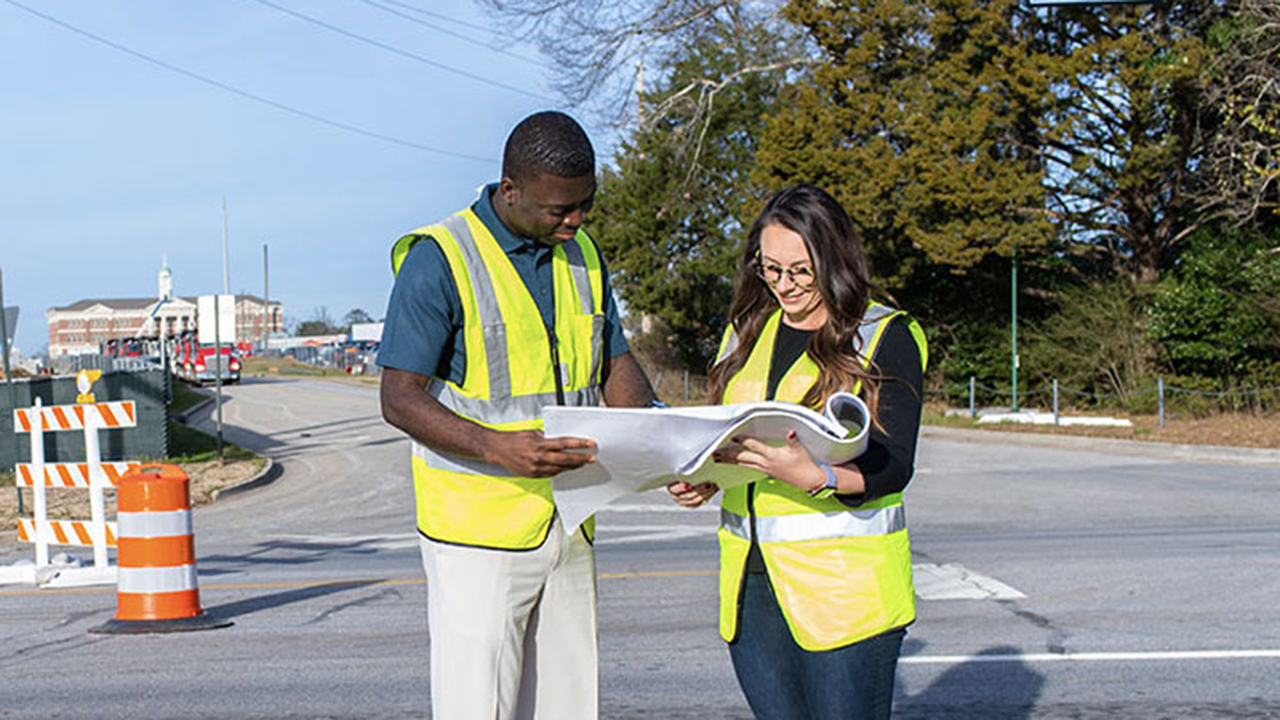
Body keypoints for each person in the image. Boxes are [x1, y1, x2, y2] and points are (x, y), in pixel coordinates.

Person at [378, 110, 658, 720]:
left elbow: (615, 362)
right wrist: (496, 446)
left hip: (571, 519)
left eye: (586, 205)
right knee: (478, 707)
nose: (576, 220)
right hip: (478, 535)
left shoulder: (582, 253)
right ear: (510, 190)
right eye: (561, 209)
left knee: (568, 707)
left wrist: (664, 441)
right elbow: (398, 396)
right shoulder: (441, 258)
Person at [668, 184, 927, 720]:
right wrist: (707, 476)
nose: (784, 285)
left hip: (846, 594)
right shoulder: (745, 334)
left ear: (834, 259)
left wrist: (816, 475)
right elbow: (731, 438)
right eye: (770, 269)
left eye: (800, 271)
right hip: (752, 587)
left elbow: (893, 464)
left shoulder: (884, 335)